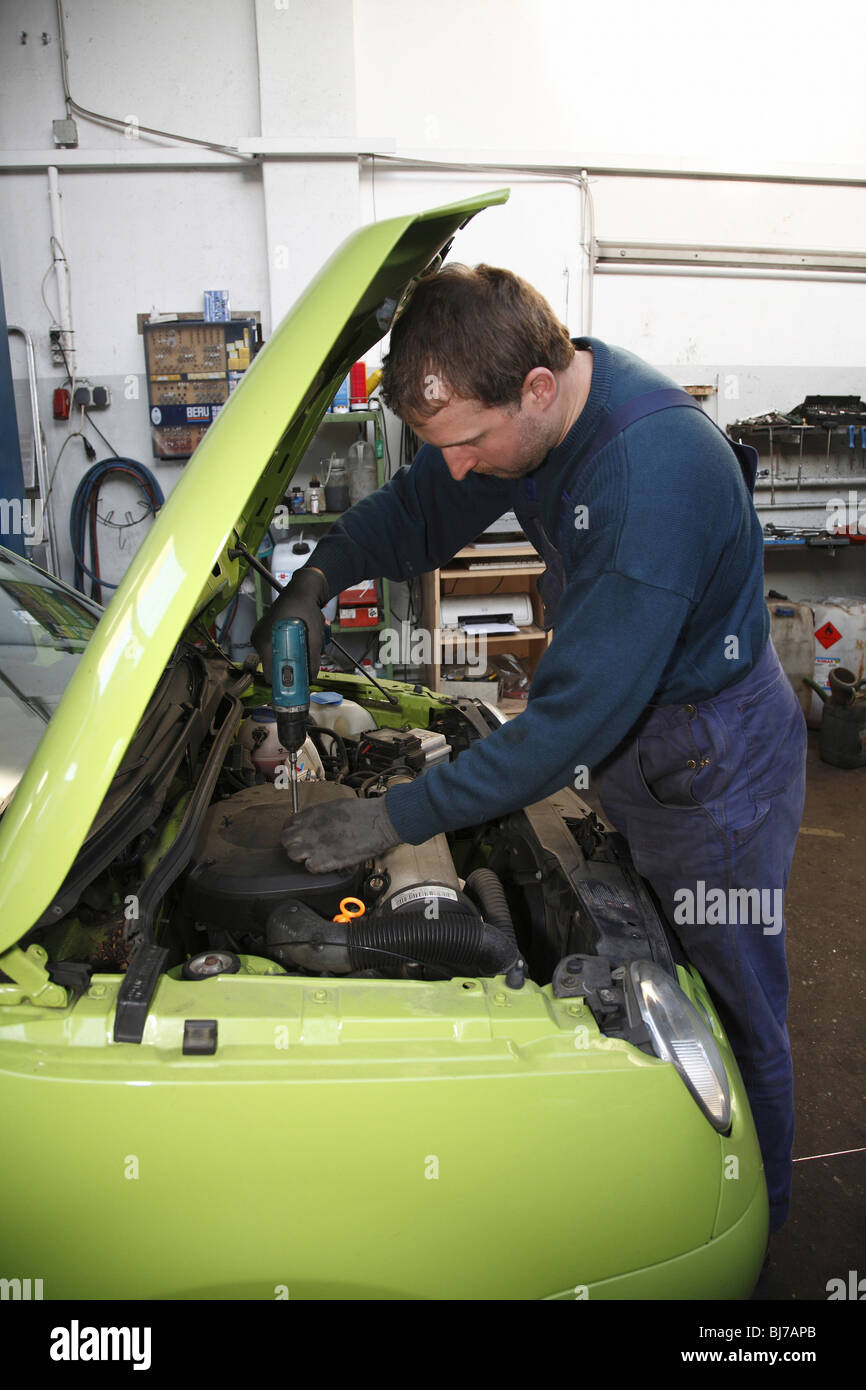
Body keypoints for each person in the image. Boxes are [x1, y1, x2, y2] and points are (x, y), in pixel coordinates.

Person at [253, 264, 807, 1233]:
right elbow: (422, 508)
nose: (456, 465)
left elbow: (563, 725)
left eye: (466, 442)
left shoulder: (647, 475)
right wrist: (318, 575)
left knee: (726, 1011)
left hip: (712, 759)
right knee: (654, 972)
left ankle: (756, 1241)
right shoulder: (520, 409)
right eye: (441, 443)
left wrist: (390, 817)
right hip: (647, 736)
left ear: (537, 392)